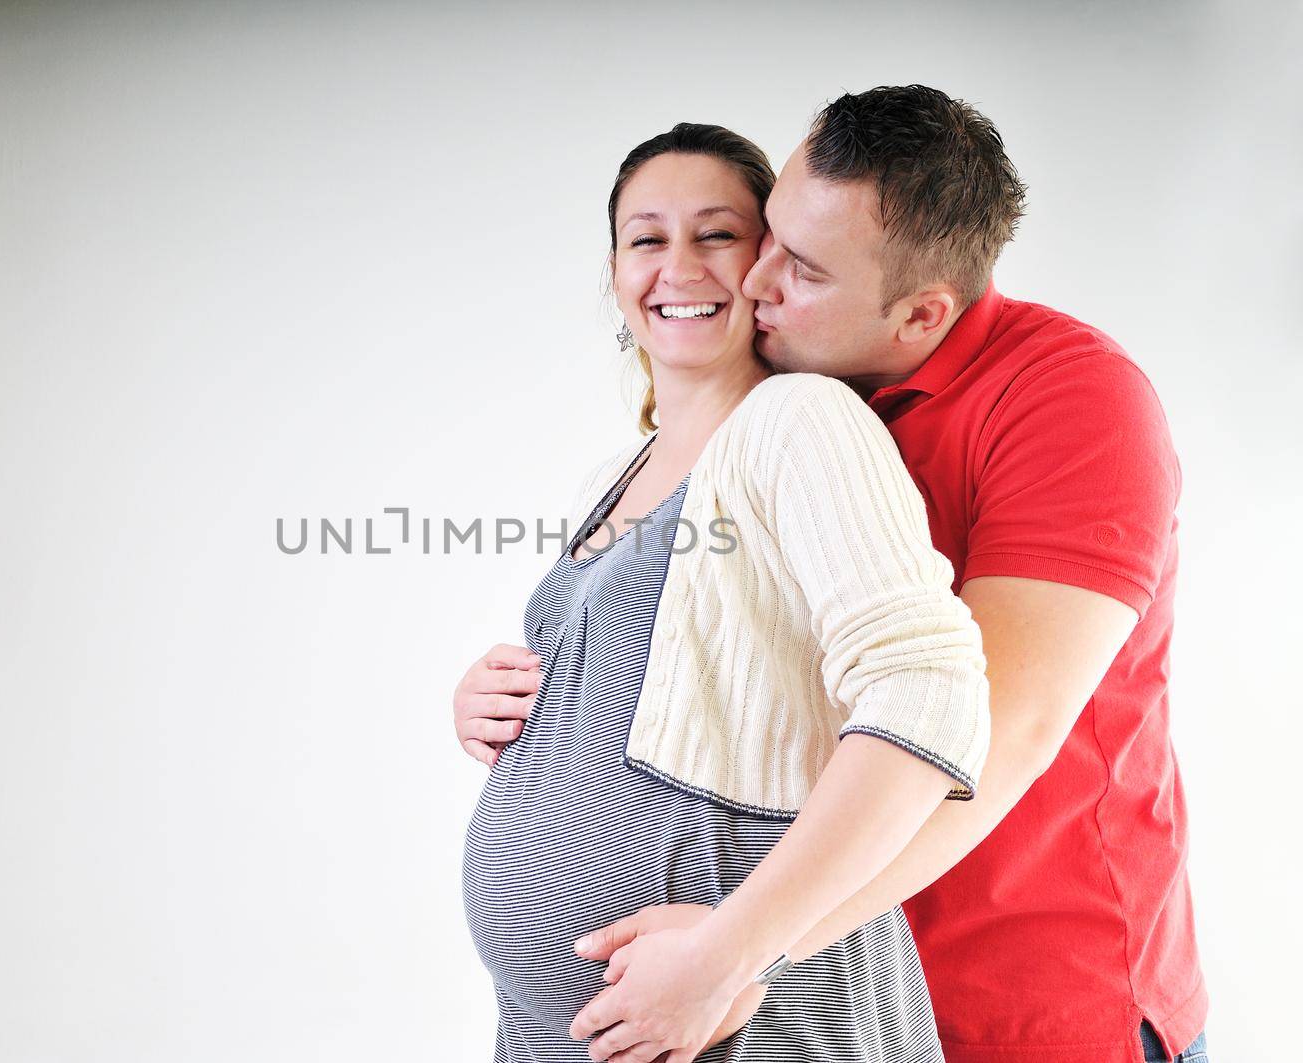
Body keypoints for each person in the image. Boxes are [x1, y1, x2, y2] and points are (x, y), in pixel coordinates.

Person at [455, 88, 1209, 1063]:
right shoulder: (778, 400)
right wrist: (534, 702)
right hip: (795, 979)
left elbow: (996, 730)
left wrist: (738, 951)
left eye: (798, 268)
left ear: (919, 313)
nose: (757, 279)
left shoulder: (1066, 398)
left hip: (1021, 998)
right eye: (766, 237)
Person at [460, 121, 992, 1063]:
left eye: (716, 234)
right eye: (646, 237)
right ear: (616, 274)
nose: (680, 265)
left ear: (765, 263)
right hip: (570, 1029)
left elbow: (931, 688)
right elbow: (669, 690)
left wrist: (730, 948)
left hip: (746, 1012)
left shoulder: (799, 421)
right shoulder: (611, 478)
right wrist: (498, 706)